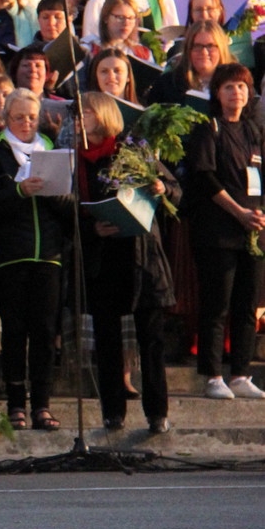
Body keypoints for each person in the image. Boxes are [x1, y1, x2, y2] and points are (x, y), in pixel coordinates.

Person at [76, 90, 175, 432]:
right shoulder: (76, 159)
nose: (79, 120)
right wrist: (93, 228)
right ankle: (112, 412)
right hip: (104, 258)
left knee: (151, 337)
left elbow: (175, 188)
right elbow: (68, 211)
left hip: (141, 256)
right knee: (107, 339)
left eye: (85, 114)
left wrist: (163, 187)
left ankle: (157, 413)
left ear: (103, 116)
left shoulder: (131, 150)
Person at [0, 88, 69, 431]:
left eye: (31, 116)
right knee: (15, 330)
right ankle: (16, 405)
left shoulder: (53, 150)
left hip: (49, 253)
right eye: (19, 117)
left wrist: (55, 194)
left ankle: (42, 404)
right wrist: (18, 191)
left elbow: (68, 205)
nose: (26, 123)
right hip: (9, 253)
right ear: (5, 119)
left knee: (44, 331)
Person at [184, 63, 265, 401]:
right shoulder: (208, 129)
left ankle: (242, 373)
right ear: (217, 93)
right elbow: (205, 179)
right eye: (230, 87)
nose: (237, 93)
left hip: (253, 230)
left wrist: (258, 215)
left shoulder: (252, 131)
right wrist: (238, 212)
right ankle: (214, 374)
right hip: (219, 230)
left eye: (243, 87)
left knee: (247, 303)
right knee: (218, 303)